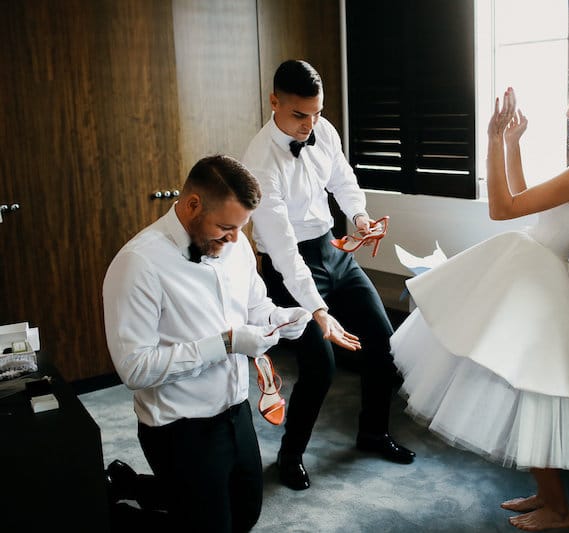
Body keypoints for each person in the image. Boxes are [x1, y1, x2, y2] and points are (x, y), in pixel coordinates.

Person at [389, 59, 569, 531]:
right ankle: (547, 497)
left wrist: (489, 137)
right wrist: (512, 142)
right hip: (535, 271)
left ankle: (559, 510)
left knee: (532, 398)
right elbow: (525, 196)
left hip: (541, 279)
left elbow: (502, 207)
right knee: (523, 392)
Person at [102, 155, 311, 532]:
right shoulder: (138, 263)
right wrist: (226, 344)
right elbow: (134, 368)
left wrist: (279, 318)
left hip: (235, 410)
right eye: (225, 227)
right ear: (193, 204)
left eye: (239, 228)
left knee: (245, 515)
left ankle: (132, 485)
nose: (233, 239)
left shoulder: (236, 243)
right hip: (179, 428)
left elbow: (253, 305)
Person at [240, 59, 415, 491]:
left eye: (316, 113)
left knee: (384, 342)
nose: (310, 124)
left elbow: (343, 179)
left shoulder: (325, 129)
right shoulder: (260, 163)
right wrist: (319, 310)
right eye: (300, 115)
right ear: (274, 101)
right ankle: (290, 455)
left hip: (332, 250)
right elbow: (281, 250)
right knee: (321, 366)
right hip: (289, 268)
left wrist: (359, 217)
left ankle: (373, 432)